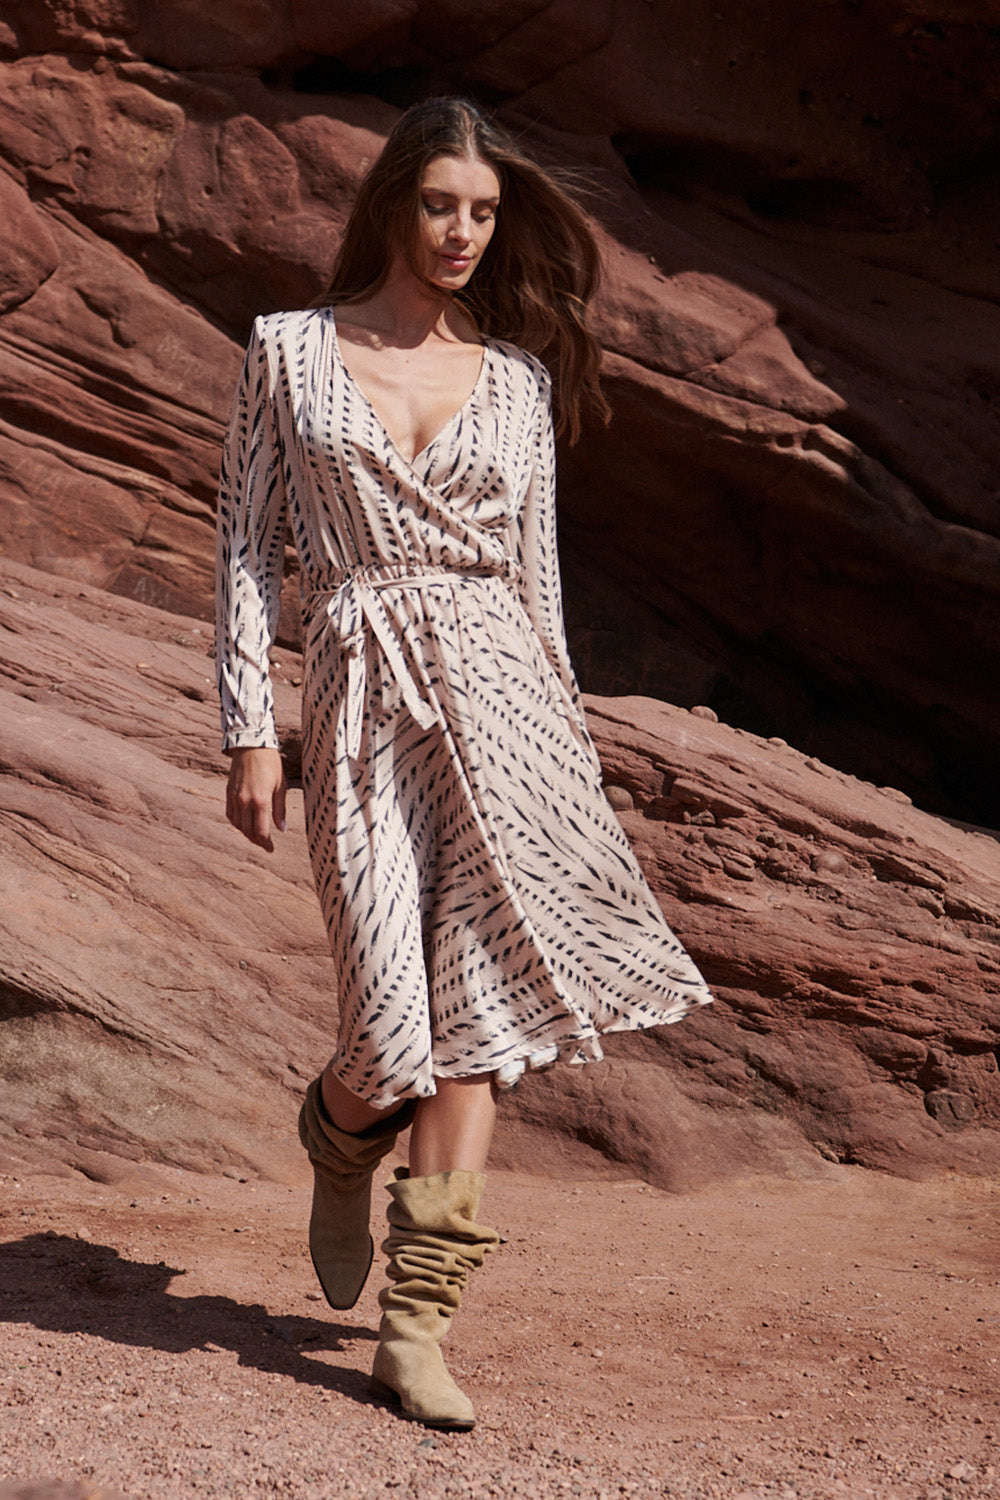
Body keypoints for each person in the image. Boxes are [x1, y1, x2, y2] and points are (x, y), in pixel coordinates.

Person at [215, 96, 712, 1432]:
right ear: (392, 203)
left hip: (507, 715)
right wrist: (250, 725)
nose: (463, 232)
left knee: (476, 1024)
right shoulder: (289, 350)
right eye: (441, 204)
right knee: (387, 1027)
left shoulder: (520, 383)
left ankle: (416, 1327)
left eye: (484, 213)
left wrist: (571, 764)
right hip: (364, 702)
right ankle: (339, 1131)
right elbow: (250, 546)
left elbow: (536, 588)